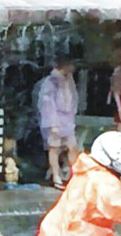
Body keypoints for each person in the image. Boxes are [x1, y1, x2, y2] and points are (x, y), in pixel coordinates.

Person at [38, 57, 79, 190]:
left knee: (72, 146)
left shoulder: (69, 80)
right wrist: (52, 122)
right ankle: (56, 175)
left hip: (67, 118)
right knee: (54, 147)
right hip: (55, 117)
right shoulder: (51, 81)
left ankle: (74, 174)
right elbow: (47, 103)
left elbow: (73, 98)